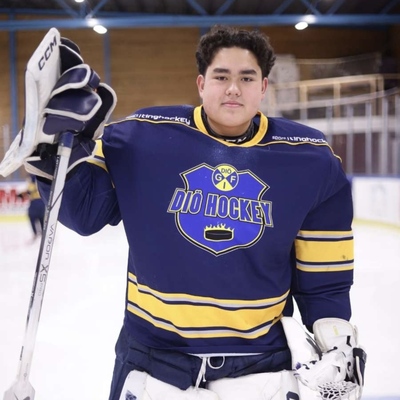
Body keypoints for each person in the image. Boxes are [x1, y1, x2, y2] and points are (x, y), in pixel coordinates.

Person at [0, 25, 366, 400]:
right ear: (201, 83)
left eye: (246, 78)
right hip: (151, 359)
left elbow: (324, 278)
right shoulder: (141, 137)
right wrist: (53, 155)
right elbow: (84, 213)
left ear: (263, 87)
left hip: (259, 365)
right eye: (221, 76)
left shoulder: (311, 160)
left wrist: (336, 340)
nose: (233, 88)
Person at [17, 174, 45, 241]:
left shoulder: (32, 183)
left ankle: (35, 233)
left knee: (32, 217)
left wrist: (21, 195)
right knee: (41, 218)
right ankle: (43, 232)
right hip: (42, 203)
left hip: (35, 203)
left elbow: (29, 191)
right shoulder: (41, 183)